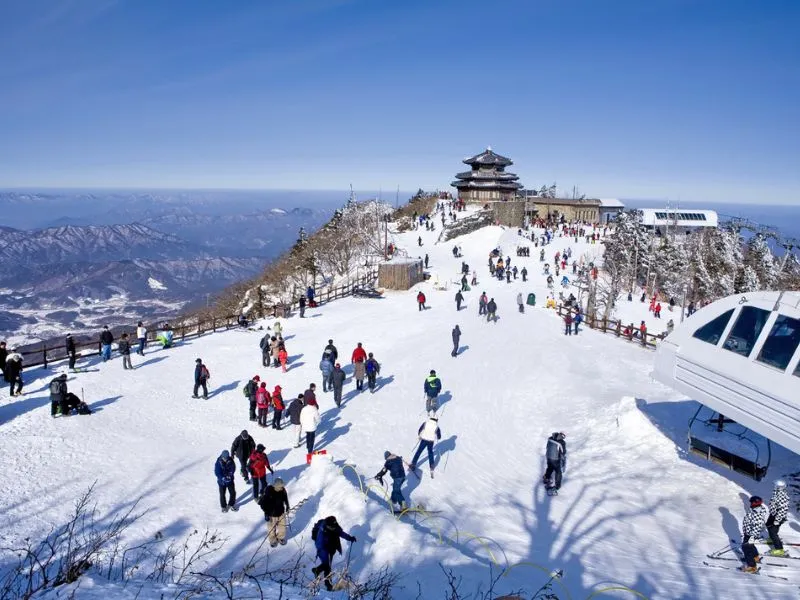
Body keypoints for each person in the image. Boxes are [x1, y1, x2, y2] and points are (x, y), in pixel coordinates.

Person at [311, 516, 356, 591]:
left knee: (327, 566)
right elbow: (319, 544)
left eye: (334, 527)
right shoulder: (322, 532)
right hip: (323, 549)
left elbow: (341, 533)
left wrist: (350, 538)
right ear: (328, 526)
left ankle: (317, 570)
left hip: (331, 547)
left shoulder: (334, 525)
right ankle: (328, 585)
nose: (334, 528)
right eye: (332, 527)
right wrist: (323, 552)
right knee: (327, 567)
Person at [259, 478, 290, 547]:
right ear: (276, 486)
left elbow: (285, 498)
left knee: (282, 527)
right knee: (271, 528)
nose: (282, 487)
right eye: (281, 486)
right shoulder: (269, 491)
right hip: (271, 514)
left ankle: (280, 537)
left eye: (282, 486)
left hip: (281, 512)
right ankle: (272, 540)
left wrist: (287, 506)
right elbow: (262, 504)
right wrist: (266, 513)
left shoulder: (283, 490)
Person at [741, 495, 768, 572]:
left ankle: (752, 566)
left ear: (754, 503)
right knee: (750, 546)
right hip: (749, 532)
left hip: (751, 533)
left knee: (746, 548)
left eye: (751, 502)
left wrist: (752, 536)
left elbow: (758, 526)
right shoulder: (755, 510)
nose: (750, 504)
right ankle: (755, 557)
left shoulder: (757, 513)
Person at [766, 480, 790, 556]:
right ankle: (771, 539)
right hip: (774, 513)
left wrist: (777, 519)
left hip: (778, 516)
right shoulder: (777, 492)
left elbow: (783, 509)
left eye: (776, 485)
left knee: (773, 531)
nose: (774, 486)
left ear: (779, 487)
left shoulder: (782, 496)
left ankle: (779, 550)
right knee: (768, 525)